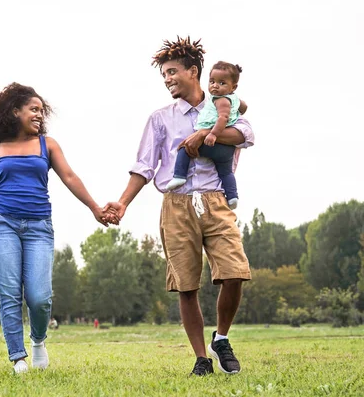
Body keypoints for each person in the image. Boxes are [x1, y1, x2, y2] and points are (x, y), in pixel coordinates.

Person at [104, 36, 254, 376]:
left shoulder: (222, 106)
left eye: (173, 72)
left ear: (193, 71)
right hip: (176, 204)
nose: (168, 79)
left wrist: (202, 136)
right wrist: (123, 203)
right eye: (164, 75)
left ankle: (222, 337)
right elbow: (144, 167)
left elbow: (245, 135)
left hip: (216, 201)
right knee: (186, 286)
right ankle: (202, 359)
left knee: (234, 273)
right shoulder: (160, 119)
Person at [0, 82, 109, 374]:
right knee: (9, 293)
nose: (39, 115)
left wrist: (95, 207)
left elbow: (69, 176)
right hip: (2, 223)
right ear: (15, 111)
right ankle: (18, 357)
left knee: (40, 297)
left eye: (42, 110)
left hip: (39, 227)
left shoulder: (47, 145)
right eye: (33, 109)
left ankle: (38, 340)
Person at [165, 61, 248, 209]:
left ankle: (179, 176)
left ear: (233, 87)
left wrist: (211, 134)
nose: (215, 86)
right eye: (212, 82)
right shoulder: (234, 99)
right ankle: (233, 196)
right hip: (227, 150)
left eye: (221, 83)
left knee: (185, 147)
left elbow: (223, 118)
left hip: (214, 143)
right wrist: (237, 103)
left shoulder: (221, 101)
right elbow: (244, 107)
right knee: (226, 172)